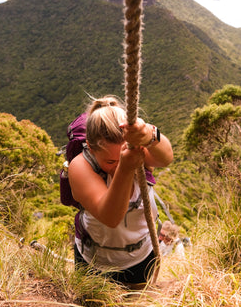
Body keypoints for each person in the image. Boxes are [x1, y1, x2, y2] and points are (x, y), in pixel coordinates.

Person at [68, 95, 173, 289]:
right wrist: (125, 168)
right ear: (90, 148)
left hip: (140, 258)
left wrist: (150, 135)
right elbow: (110, 216)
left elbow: (165, 158)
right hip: (93, 262)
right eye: (110, 162)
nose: (116, 165)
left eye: (121, 158)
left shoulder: (134, 149)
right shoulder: (80, 166)